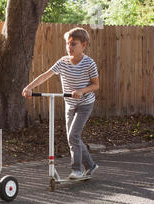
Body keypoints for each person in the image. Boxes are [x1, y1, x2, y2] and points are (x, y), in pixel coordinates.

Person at [22, 27, 99, 179]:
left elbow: (96, 85)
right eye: (67, 44)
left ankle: (77, 170)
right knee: (73, 137)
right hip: (70, 104)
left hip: (85, 104)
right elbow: (46, 75)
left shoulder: (89, 63)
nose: (69, 47)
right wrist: (29, 87)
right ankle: (90, 165)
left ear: (84, 45)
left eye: (73, 44)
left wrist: (82, 91)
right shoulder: (63, 62)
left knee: (73, 136)